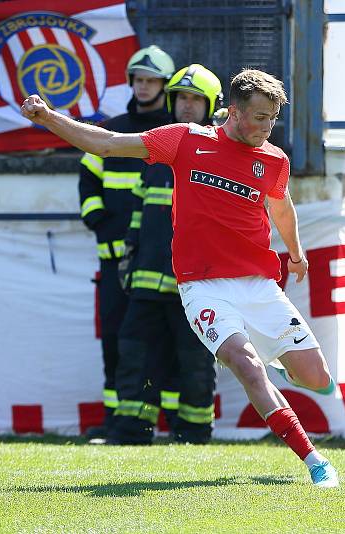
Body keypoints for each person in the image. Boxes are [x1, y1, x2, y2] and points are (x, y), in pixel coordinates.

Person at [21, 69, 340, 488]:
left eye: (273, 119)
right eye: (260, 117)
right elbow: (106, 144)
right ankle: (316, 462)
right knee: (246, 367)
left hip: (258, 285)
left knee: (317, 379)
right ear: (236, 110)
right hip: (202, 287)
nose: (267, 128)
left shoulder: (273, 160)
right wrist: (47, 117)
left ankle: (276, 361)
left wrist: (295, 255)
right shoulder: (186, 140)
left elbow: (281, 208)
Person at [110, 65, 223, 445]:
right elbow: (140, 217)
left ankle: (193, 432)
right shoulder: (159, 153)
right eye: (182, 98)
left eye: (196, 99)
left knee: (194, 362)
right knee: (135, 356)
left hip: (195, 286)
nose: (187, 106)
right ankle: (130, 431)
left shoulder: (222, 156)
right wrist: (130, 256)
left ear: (211, 106)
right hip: (147, 281)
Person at [77, 45, 176, 439]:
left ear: (164, 86)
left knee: (167, 344)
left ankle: (170, 423)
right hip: (115, 260)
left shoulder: (174, 135)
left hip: (159, 263)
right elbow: (87, 178)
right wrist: (97, 219)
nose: (144, 86)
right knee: (117, 343)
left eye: (152, 80)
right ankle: (117, 420)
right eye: (138, 79)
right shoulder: (111, 130)